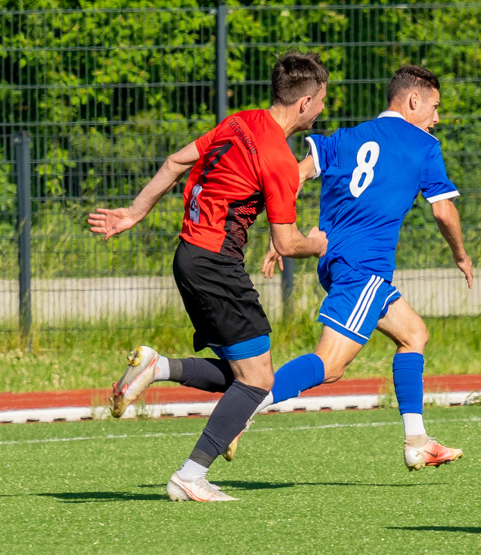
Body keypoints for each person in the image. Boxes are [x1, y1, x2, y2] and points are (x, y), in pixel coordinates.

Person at [88, 51, 330, 502]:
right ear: (306, 102)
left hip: (189, 258)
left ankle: (158, 367)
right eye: (321, 102)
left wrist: (134, 214)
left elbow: (176, 162)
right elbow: (287, 242)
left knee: (248, 375)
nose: (322, 111)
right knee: (259, 382)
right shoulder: (278, 157)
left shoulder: (239, 122)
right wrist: (319, 243)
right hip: (216, 265)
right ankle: (190, 475)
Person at [231, 65, 473, 471]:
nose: (437, 118)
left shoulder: (346, 137)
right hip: (364, 269)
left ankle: (418, 440)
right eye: (434, 107)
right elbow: (444, 211)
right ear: (413, 101)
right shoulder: (424, 146)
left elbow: (294, 175)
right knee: (330, 366)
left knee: (414, 333)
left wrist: (281, 232)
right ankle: (242, 407)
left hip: (338, 263)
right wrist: (461, 254)